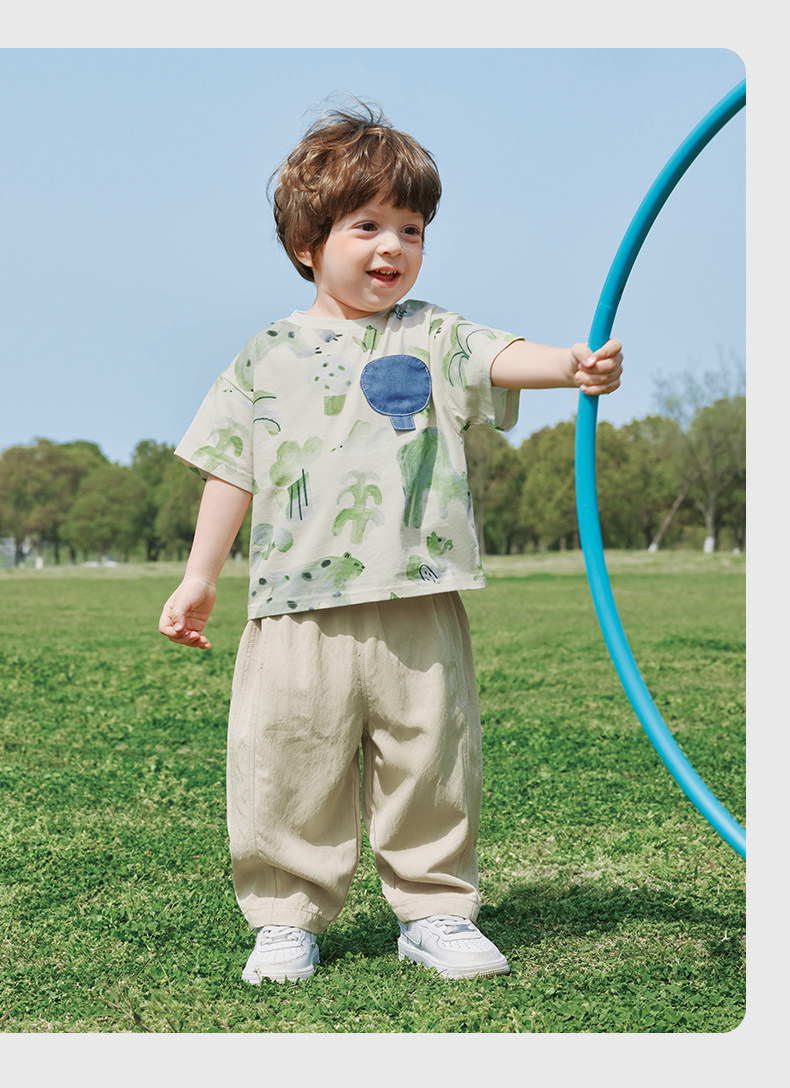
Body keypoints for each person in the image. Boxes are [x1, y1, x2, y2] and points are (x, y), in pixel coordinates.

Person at [158, 102, 623, 984]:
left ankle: (435, 909)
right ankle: (286, 916)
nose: (393, 247)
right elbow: (231, 468)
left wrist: (571, 366)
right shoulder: (268, 354)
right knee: (287, 759)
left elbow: (500, 356)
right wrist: (199, 577)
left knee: (430, 758)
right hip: (296, 608)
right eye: (366, 225)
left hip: (418, 594)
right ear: (308, 243)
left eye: (411, 229)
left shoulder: (431, 333)